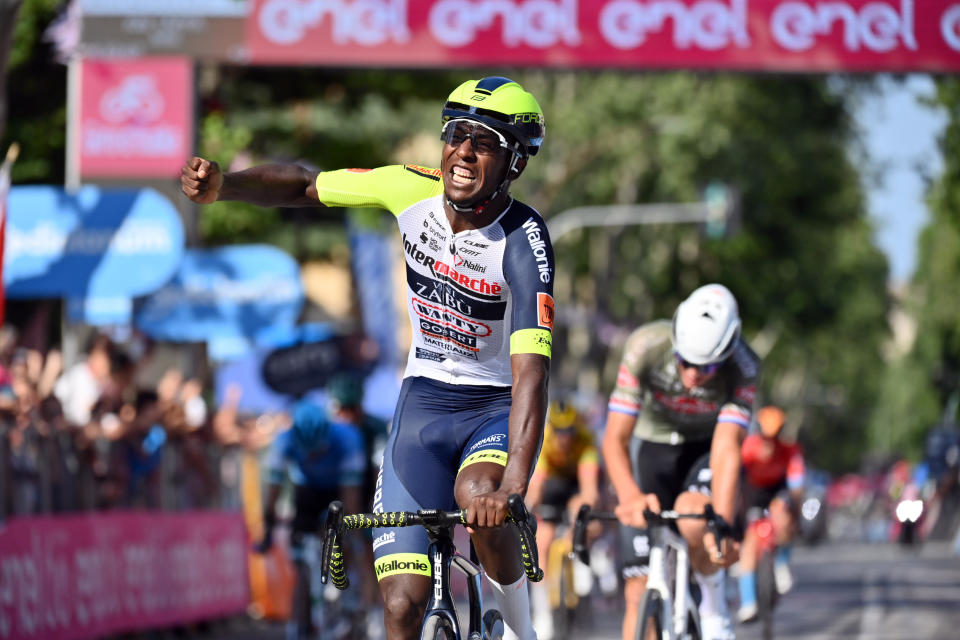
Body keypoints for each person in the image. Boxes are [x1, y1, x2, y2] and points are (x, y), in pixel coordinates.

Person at [182, 76, 553, 640]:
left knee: (478, 498)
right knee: (402, 606)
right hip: (423, 405)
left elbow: (532, 371)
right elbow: (305, 185)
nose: (464, 152)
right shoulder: (408, 190)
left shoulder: (524, 239)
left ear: (514, 164)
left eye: (486, 142)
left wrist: (514, 486)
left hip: (493, 409)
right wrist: (225, 186)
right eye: (457, 135)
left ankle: (522, 629)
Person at [601, 283, 760, 640]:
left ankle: (715, 603)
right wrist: (629, 498)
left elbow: (727, 446)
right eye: (685, 361)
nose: (692, 376)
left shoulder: (744, 366)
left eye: (706, 367)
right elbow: (615, 439)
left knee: (693, 517)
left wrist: (721, 525)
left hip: (703, 450)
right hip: (652, 449)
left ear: (728, 353)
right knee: (637, 591)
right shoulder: (645, 347)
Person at [255, 398, 367, 640]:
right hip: (305, 491)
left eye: (318, 450)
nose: (314, 456)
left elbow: (352, 498)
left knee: (343, 536)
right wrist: (268, 525)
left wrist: (351, 533)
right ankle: (302, 619)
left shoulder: (348, 438)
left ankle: (347, 593)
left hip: (337, 489)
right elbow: (272, 490)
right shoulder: (283, 440)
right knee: (303, 566)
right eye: (309, 452)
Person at [525, 400, 601, 639]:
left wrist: (582, 521)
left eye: (569, 431)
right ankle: (542, 611)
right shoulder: (545, 440)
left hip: (576, 484)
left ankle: (579, 551)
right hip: (552, 486)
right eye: (560, 431)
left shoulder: (586, 441)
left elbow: (590, 490)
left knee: (584, 509)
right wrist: (526, 512)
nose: (564, 437)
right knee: (543, 540)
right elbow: (536, 488)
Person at [736, 405, 805, 624]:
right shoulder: (747, 450)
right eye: (765, 438)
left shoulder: (790, 451)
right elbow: (735, 484)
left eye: (774, 438)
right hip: (753, 493)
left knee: (783, 515)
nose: (769, 444)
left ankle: (781, 561)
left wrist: (795, 515)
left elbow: (796, 488)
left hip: (778, 491)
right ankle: (749, 603)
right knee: (749, 546)